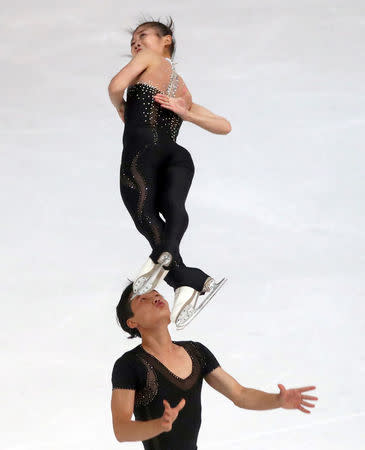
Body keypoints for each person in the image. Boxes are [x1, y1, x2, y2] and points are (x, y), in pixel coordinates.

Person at [107, 18, 230, 328]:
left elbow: (115, 86)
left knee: (143, 212)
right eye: (133, 40)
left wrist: (119, 106)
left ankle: (183, 272)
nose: (136, 43)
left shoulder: (148, 60)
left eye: (143, 35)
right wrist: (186, 112)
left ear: (166, 41)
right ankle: (185, 282)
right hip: (176, 156)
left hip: (143, 152)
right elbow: (224, 126)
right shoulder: (182, 89)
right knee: (173, 207)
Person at [111, 286, 318, 449]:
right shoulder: (129, 365)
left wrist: (277, 400)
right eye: (142, 299)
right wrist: (159, 425)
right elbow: (121, 430)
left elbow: (240, 394)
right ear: (132, 322)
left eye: (155, 292)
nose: (154, 296)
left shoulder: (197, 352)